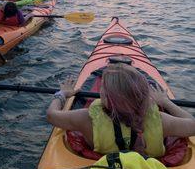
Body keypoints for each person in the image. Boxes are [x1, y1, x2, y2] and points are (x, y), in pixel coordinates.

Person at [47, 63, 195, 157]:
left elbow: (52, 116)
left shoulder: (86, 119)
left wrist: (62, 94)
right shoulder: (161, 120)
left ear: (107, 99)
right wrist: (165, 102)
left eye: (103, 88)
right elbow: (192, 124)